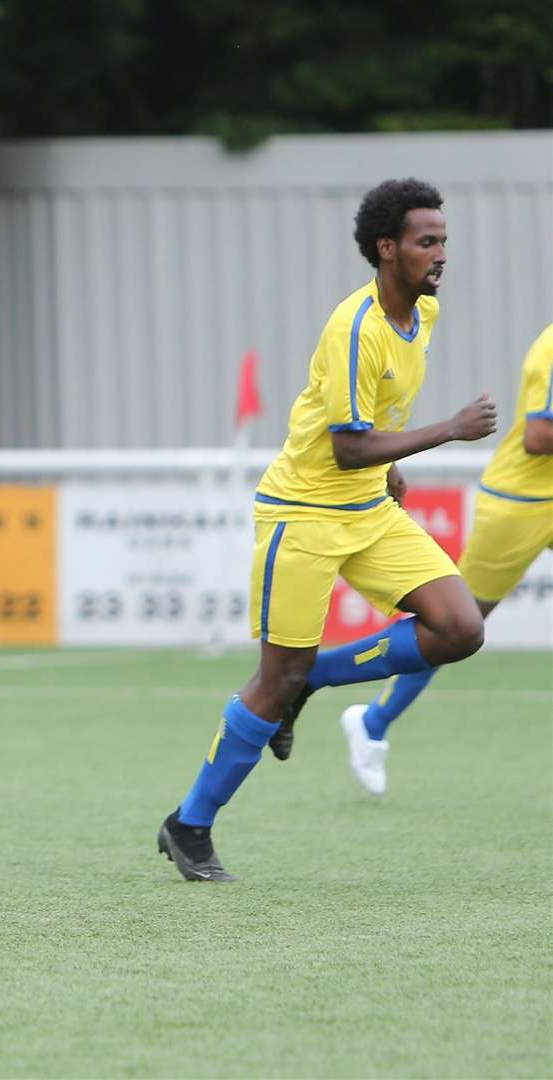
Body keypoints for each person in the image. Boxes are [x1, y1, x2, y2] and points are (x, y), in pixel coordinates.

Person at [157, 178, 498, 881]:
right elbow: (345, 446)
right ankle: (189, 825)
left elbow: (369, 422)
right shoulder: (355, 325)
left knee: (459, 628)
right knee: (273, 676)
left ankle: (314, 684)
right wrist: (449, 432)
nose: (440, 253)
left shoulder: (422, 312)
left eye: (443, 241)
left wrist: (392, 466)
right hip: (304, 514)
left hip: (367, 506)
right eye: (426, 241)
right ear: (386, 248)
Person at [337, 322, 552, 793]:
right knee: (458, 626)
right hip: (521, 506)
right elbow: (539, 437)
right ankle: (372, 721)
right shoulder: (552, 347)